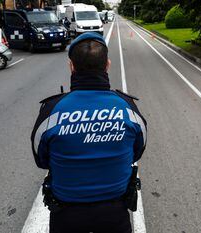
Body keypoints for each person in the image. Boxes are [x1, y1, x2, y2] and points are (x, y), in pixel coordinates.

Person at [31, 32, 147, 233]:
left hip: (66, 215)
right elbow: (137, 151)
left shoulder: (52, 110)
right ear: (107, 65)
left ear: (71, 67)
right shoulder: (128, 108)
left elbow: (42, 160)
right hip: (115, 212)